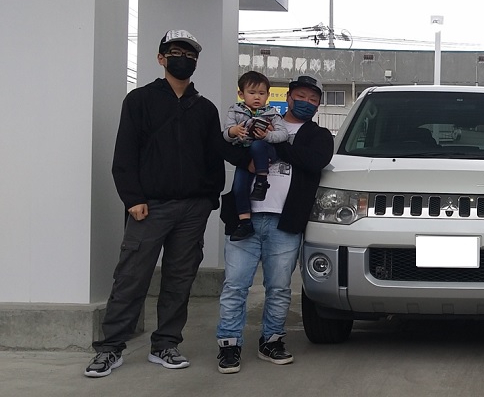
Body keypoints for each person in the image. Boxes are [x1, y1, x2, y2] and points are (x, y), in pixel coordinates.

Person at [86, 30, 225, 378]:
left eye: (190, 55)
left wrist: (208, 199)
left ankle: (165, 344)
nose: (184, 59)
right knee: (131, 278)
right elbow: (125, 154)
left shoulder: (205, 109)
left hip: (192, 210)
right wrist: (133, 198)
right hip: (149, 208)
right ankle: (110, 348)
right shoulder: (139, 101)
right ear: (161, 58)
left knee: (179, 280)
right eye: (176, 52)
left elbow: (214, 158)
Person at [215, 75, 334, 374]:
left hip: (286, 222)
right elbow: (225, 146)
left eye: (313, 99)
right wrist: (247, 156)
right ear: (288, 97)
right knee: (235, 285)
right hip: (245, 218)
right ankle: (228, 344)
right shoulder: (261, 117)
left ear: (318, 105)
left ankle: (272, 340)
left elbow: (313, 160)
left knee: (279, 288)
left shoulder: (319, 135)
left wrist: (271, 142)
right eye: (301, 96)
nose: (306, 102)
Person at [222, 71, 289, 240]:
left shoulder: (272, 113)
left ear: (268, 95)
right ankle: (245, 223)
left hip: (266, 151)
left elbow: (283, 135)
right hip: (246, 156)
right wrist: (234, 131)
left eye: (261, 93)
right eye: (252, 93)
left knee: (258, 144)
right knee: (239, 187)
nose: (257, 97)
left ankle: (261, 181)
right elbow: (225, 135)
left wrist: (267, 136)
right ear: (241, 94)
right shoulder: (235, 110)